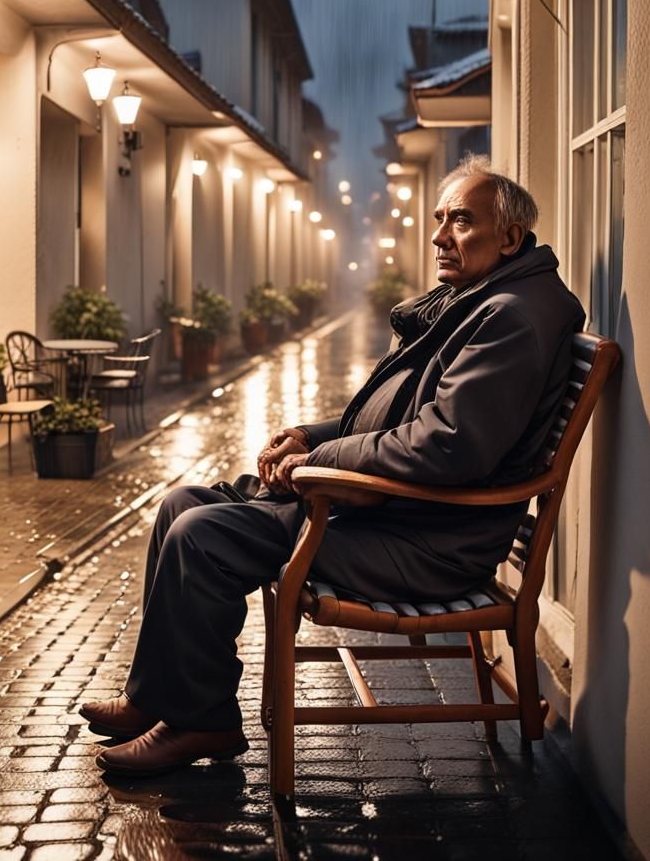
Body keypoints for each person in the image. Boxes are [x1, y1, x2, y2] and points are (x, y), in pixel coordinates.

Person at [81, 155, 585, 777]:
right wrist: (307, 437)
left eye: (460, 221)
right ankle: (157, 698)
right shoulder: (484, 300)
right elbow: (401, 418)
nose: (438, 236)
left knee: (201, 534)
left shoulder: (509, 317)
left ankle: (200, 722)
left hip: (428, 539)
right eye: (439, 219)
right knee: (181, 503)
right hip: (393, 511)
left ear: (509, 237)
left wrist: (319, 460)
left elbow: (447, 445)